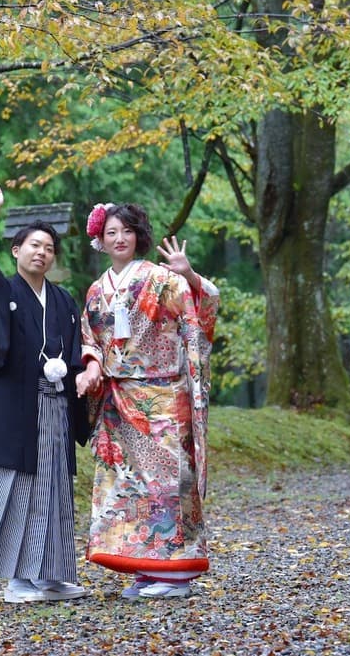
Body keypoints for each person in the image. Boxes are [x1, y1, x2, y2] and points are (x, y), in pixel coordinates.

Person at [74, 201, 219, 600]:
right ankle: (146, 566)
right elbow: (90, 339)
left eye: (127, 231)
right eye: (111, 233)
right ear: (101, 241)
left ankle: (175, 572)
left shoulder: (163, 279)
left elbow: (200, 314)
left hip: (164, 396)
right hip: (119, 399)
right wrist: (91, 365)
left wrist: (188, 274)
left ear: (138, 236)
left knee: (167, 482)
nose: (119, 239)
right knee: (127, 484)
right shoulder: (97, 290)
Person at [0, 178, 89, 604]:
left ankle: (52, 575)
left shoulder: (63, 300)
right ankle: (18, 580)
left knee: (54, 487)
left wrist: (78, 375)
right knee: (19, 485)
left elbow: (75, 351)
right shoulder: (4, 291)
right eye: (34, 245)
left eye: (49, 248)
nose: (42, 252)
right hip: (19, 406)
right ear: (16, 250)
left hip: (56, 404)